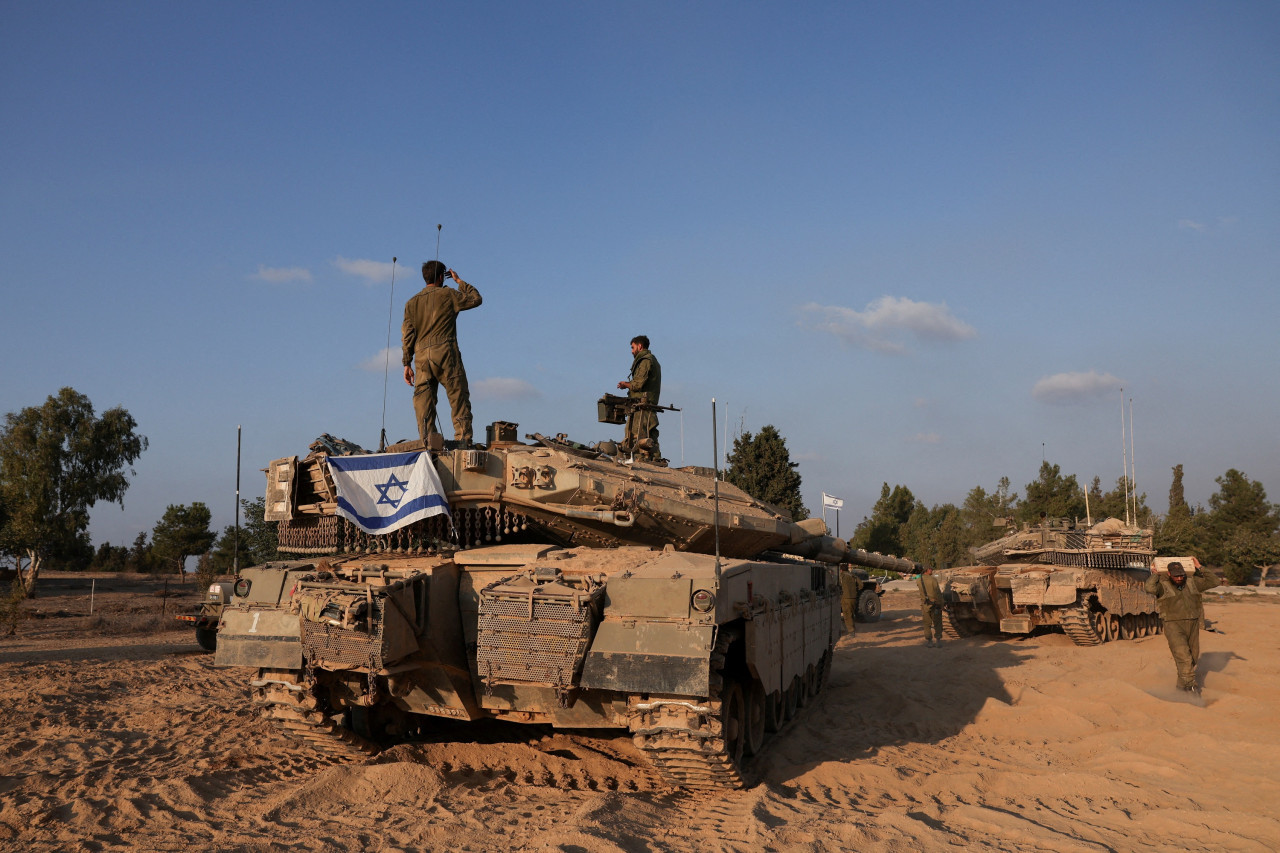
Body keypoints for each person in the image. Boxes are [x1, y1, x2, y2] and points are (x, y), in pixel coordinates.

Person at [402, 261, 482, 445]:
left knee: (423, 404)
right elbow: (475, 298)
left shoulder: (411, 303)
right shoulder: (448, 294)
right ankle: (463, 441)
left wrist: (406, 363)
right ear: (441, 277)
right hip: (446, 353)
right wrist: (459, 281)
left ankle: (429, 443)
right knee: (458, 396)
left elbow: (407, 334)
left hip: (421, 358)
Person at [1144, 561, 1220, 694]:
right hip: (1173, 624)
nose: (1179, 578)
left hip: (1193, 623)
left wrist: (1199, 566)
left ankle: (1180, 687)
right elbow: (1149, 588)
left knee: (1193, 658)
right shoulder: (1162, 585)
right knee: (1184, 657)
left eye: (1181, 575)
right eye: (1175, 576)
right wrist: (1155, 574)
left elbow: (1215, 581)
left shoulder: (1192, 583)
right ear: (1169, 574)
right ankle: (1190, 688)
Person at [616, 335, 661, 461]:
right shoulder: (652, 360)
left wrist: (625, 384)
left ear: (640, 346)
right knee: (649, 435)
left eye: (632, 347)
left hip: (642, 406)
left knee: (636, 435)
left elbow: (638, 384)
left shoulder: (646, 361)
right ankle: (654, 459)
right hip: (646, 405)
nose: (631, 351)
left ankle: (640, 459)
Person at [917, 566, 944, 647]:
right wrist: (941, 604)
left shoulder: (918, 580)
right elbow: (938, 593)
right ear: (927, 570)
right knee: (937, 622)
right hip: (935, 604)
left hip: (925, 604)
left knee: (927, 623)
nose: (932, 570)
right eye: (931, 569)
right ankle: (938, 640)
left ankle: (929, 641)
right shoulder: (933, 580)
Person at [840, 567, 861, 633]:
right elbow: (861, 585)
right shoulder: (853, 576)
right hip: (854, 597)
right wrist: (855, 590)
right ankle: (853, 628)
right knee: (851, 614)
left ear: (841, 570)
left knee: (846, 615)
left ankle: (851, 631)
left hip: (845, 598)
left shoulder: (841, 576)